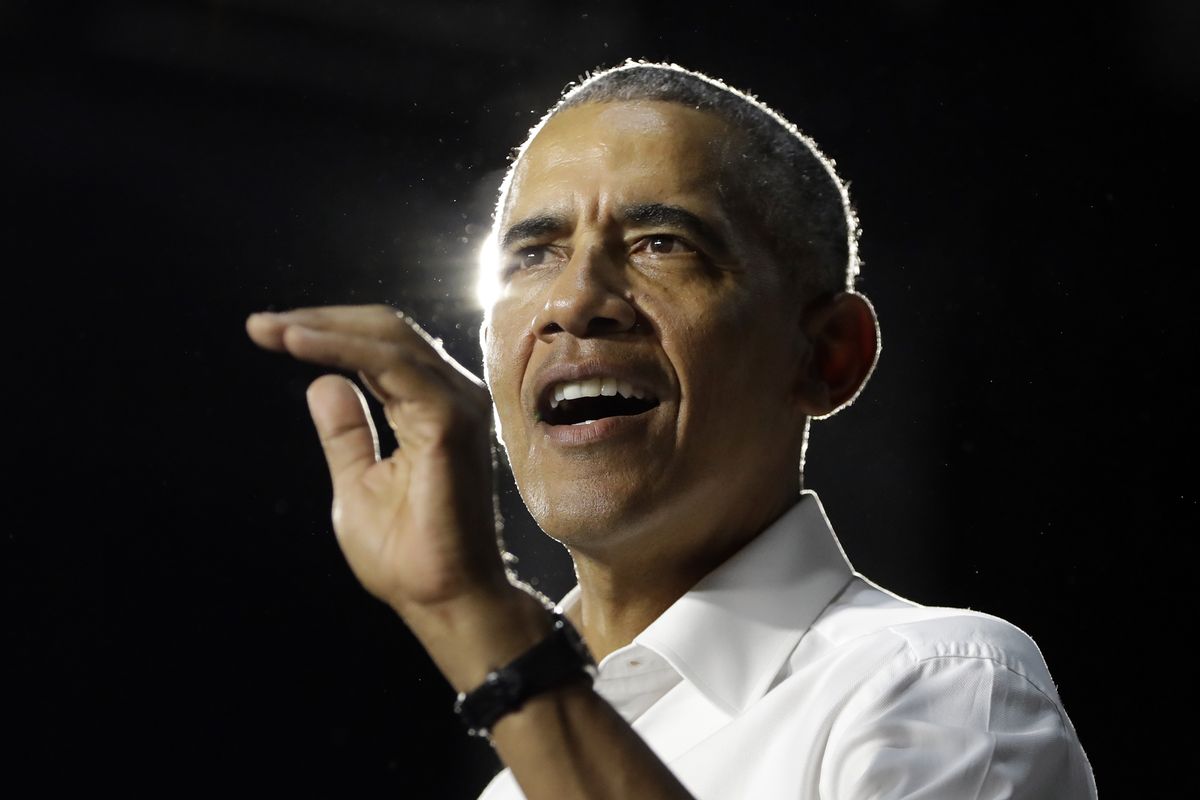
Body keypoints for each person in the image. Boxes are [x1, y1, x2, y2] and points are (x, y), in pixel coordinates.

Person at [245, 61, 1096, 799]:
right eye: (533, 255)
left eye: (661, 244)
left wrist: (478, 616)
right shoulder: (518, 781)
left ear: (828, 355)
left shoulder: (937, 687)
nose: (575, 302)